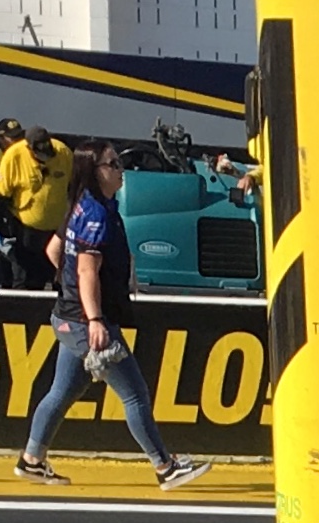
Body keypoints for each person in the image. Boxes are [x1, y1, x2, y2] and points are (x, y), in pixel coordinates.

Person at [13, 145, 206, 492]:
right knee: (135, 396)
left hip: (68, 318)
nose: (121, 170)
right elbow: (87, 271)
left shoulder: (83, 206)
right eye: (113, 164)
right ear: (95, 170)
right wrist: (95, 319)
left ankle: (31, 460)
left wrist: (73, 287)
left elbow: (54, 251)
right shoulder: (96, 214)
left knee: (61, 392)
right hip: (87, 324)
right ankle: (165, 467)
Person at [0, 120, 73, 288]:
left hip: (55, 232)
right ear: (29, 148)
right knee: (26, 279)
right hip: (24, 230)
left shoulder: (63, 153)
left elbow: (73, 188)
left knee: (57, 278)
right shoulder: (13, 157)